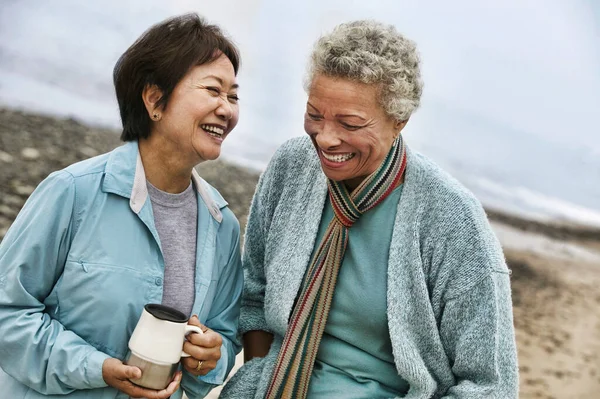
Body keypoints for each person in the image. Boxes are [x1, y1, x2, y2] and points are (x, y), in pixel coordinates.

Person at [220, 20, 518, 399]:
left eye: (350, 123)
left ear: (399, 121)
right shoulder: (292, 167)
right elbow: (255, 295)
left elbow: (491, 387)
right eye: (315, 114)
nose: (326, 138)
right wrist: (262, 377)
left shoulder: (454, 221)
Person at [0, 13, 243, 399]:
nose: (226, 109)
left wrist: (210, 356)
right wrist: (96, 368)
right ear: (154, 100)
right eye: (213, 90)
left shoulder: (222, 225)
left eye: (233, 96)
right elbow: (7, 314)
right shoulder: (72, 192)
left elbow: (225, 340)